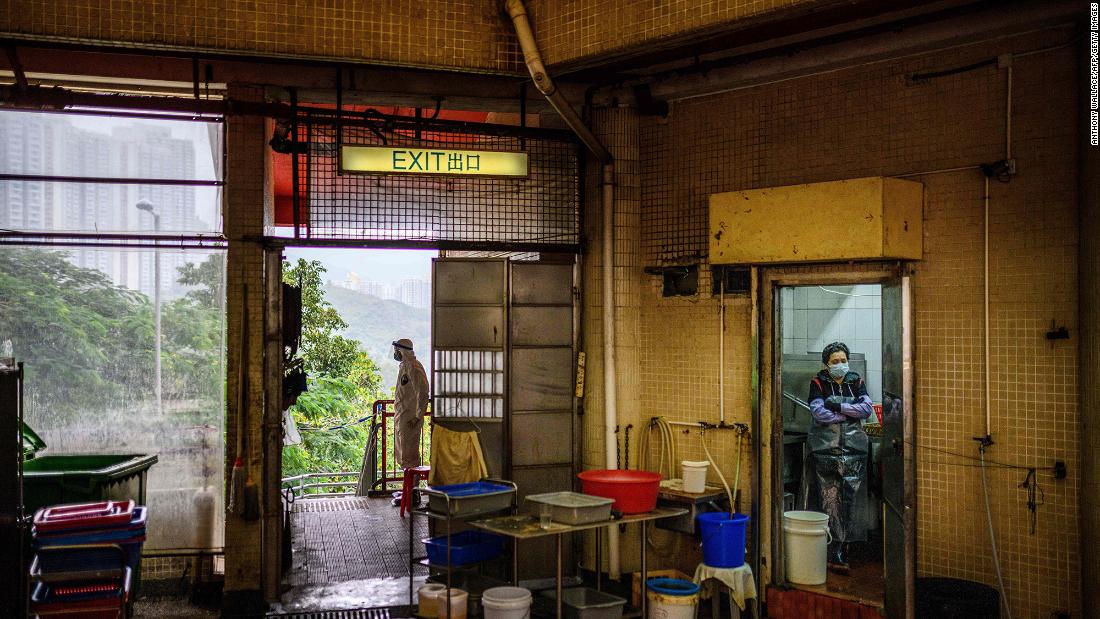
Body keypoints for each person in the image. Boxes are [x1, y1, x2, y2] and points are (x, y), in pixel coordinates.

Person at [807, 341, 872, 574]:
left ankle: (844, 547)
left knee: (849, 500)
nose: (840, 365)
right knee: (830, 498)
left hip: (855, 450)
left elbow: (866, 409)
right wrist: (847, 412)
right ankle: (832, 548)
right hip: (826, 450)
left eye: (843, 360)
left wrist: (836, 405)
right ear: (826, 364)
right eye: (835, 361)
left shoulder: (856, 381)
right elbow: (819, 413)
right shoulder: (818, 383)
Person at [392, 338, 430, 470]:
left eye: (397, 350)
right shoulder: (405, 366)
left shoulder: (414, 366)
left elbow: (423, 391)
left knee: (409, 455)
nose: (395, 353)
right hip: (402, 416)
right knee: (403, 453)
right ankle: (408, 487)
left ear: (402, 350)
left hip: (410, 418)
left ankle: (412, 488)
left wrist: (418, 416)